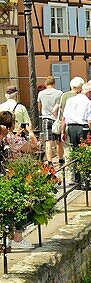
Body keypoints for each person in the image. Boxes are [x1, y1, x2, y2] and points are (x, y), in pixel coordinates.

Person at [0, 110, 40, 251]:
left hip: (5, 175)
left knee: (7, 208)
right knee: (20, 206)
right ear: (11, 124)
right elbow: (34, 147)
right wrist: (30, 132)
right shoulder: (13, 138)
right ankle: (17, 238)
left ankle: (8, 240)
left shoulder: (3, 138)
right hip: (16, 176)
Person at [61, 78, 91, 186]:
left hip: (71, 128)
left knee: (75, 153)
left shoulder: (70, 100)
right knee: (85, 154)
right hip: (83, 128)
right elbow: (90, 122)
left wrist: (63, 132)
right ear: (89, 92)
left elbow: (64, 118)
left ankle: (77, 180)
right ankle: (86, 180)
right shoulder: (89, 103)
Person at [37, 75, 63, 165]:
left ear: (45, 83)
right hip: (56, 120)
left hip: (46, 119)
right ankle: (60, 159)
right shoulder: (59, 93)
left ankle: (49, 161)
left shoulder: (41, 94)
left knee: (48, 142)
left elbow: (39, 107)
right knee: (58, 141)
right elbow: (60, 106)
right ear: (54, 83)